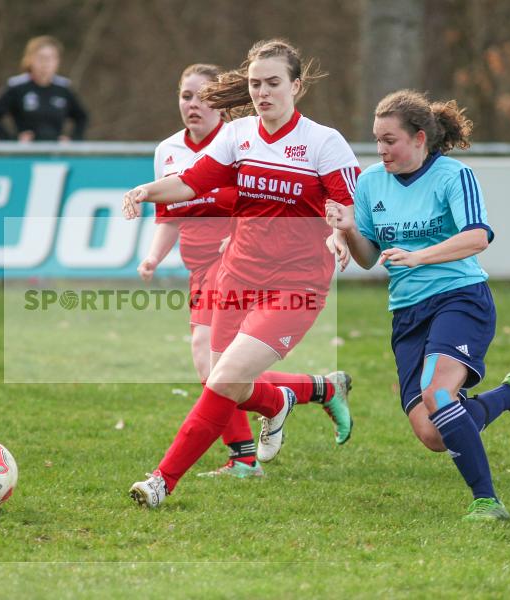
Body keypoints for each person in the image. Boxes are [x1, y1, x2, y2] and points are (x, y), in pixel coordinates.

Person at [123, 39, 360, 508]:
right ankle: (282, 401)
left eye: (273, 83)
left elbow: (349, 208)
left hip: (296, 287)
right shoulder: (240, 135)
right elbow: (192, 181)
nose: (262, 92)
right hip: (235, 278)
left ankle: (161, 481)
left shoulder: (323, 142)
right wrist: (147, 190)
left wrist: (340, 234)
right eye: (255, 83)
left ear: (296, 86)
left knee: (224, 377)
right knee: (219, 374)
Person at [326, 89, 510, 521]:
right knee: (433, 433)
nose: (381, 150)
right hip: (408, 314)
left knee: (438, 393)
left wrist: (418, 255)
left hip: (460, 299)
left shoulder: (453, 176)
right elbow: (369, 257)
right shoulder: (371, 182)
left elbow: (478, 236)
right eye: (377, 140)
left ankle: (487, 501)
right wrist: (349, 229)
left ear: (419, 139)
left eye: (390, 140)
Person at [0, 36, 88, 142]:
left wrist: (73, 140)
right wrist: (12, 140)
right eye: (41, 57)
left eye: (51, 58)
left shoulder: (63, 88)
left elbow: (82, 117)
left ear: (57, 61)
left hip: (56, 154)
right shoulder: (17, 87)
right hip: (26, 154)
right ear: (29, 59)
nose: (45, 63)